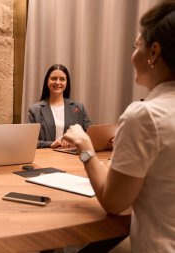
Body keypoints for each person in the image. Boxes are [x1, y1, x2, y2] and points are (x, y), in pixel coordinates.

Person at [62, 1, 175, 252]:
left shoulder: (146, 115)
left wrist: (85, 146)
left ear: (154, 51)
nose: (133, 55)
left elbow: (114, 202)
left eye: (136, 46)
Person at [28, 64, 91, 148]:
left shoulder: (79, 107)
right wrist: (51, 144)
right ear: (47, 81)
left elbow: (91, 134)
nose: (58, 82)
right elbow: (28, 141)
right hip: (46, 158)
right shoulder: (34, 110)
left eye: (62, 79)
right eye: (54, 78)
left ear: (66, 83)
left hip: (72, 158)